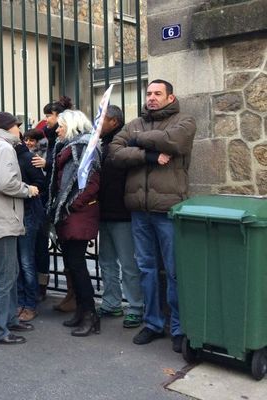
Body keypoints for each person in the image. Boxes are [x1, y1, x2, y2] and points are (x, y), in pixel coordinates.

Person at [109, 79, 196, 353]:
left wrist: (136, 140)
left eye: (158, 93)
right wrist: (148, 155)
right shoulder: (135, 122)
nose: (152, 98)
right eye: (148, 93)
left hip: (168, 209)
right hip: (139, 210)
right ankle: (153, 323)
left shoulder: (185, 120)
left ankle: (180, 328)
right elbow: (114, 152)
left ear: (170, 97)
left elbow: (174, 141)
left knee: (173, 272)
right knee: (146, 269)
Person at [0, 111, 39, 345]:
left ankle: (9, 319)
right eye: (16, 126)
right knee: (4, 277)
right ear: (8, 128)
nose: (19, 130)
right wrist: (27, 189)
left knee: (9, 274)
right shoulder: (4, 148)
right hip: (1, 221)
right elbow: (5, 182)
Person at [47, 109, 101, 337]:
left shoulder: (84, 148)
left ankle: (90, 315)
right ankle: (81, 310)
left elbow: (91, 183)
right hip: (68, 214)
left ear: (71, 125)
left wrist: (71, 205)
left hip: (76, 215)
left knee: (78, 267)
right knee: (72, 264)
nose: (56, 129)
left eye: (60, 125)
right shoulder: (70, 148)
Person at [97, 105, 144, 328]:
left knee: (128, 264)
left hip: (122, 212)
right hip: (104, 211)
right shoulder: (101, 143)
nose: (98, 122)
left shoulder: (126, 141)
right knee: (106, 261)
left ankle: (135, 307)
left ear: (114, 121)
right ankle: (111, 302)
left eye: (102, 118)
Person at [34, 97, 75, 307]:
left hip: (63, 201)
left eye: (49, 115)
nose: (46, 119)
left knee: (70, 252)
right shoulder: (48, 137)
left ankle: (72, 294)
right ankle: (65, 293)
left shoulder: (68, 139)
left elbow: (65, 167)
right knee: (50, 246)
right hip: (48, 199)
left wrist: (47, 163)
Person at [15, 138, 46, 322]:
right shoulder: (4, 156)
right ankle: (20, 301)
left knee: (26, 262)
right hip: (12, 214)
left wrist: (24, 190)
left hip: (27, 213)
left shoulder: (27, 157)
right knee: (17, 262)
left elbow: (40, 183)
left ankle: (30, 304)